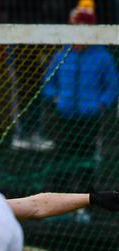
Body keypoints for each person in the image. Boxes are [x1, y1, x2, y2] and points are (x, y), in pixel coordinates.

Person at [42, 0, 119, 189]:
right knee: (61, 160)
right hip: (64, 117)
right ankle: (60, 199)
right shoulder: (61, 55)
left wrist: (101, 104)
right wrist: (56, 97)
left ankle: (84, 203)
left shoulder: (103, 56)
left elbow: (112, 86)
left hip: (89, 119)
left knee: (86, 161)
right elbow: (48, 83)